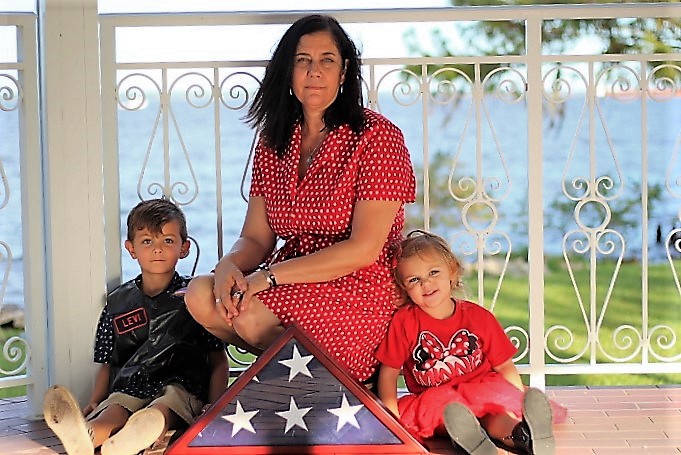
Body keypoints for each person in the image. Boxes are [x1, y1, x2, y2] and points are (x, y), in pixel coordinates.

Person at [185, 14, 416, 385]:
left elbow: (363, 249)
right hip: (289, 280)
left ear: (344, 73)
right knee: (199, 294)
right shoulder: (275, 140)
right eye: (302, 60)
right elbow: (258, 238)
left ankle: (334, 390)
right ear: (287, 72)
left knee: (249, 314)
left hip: (358, 285)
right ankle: (303, 383)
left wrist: (267, 279)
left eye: (327, 60)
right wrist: (228, 265)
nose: (314, 71)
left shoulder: (378, 137)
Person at [43, 198, 228, 455]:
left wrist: (216, 403)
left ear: (184, 248)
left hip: (182, 385)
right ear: (131, 248)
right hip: (132, 383)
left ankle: (138, 435)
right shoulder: (118, 301)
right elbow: (107, 361)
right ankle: (87, 436)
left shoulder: (193, 297)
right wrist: (97, 399)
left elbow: (218, 359)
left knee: (166, 405)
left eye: (168, 241)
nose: (158, 249)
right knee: (117, 406)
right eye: (147, 241)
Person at [375, 230, 567, 455]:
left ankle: (524, 434)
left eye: (433, 272)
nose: (426, 284)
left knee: (497, 413)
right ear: (405, 287)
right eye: (414, 280)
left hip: (482, 390)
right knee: (447, 413)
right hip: (439, 400)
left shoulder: (478, 317)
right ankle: (474, 440)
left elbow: (504, 366)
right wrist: (392, 421)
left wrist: (516, 401)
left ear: (452, 273)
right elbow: (388, 374)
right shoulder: (405, 322)